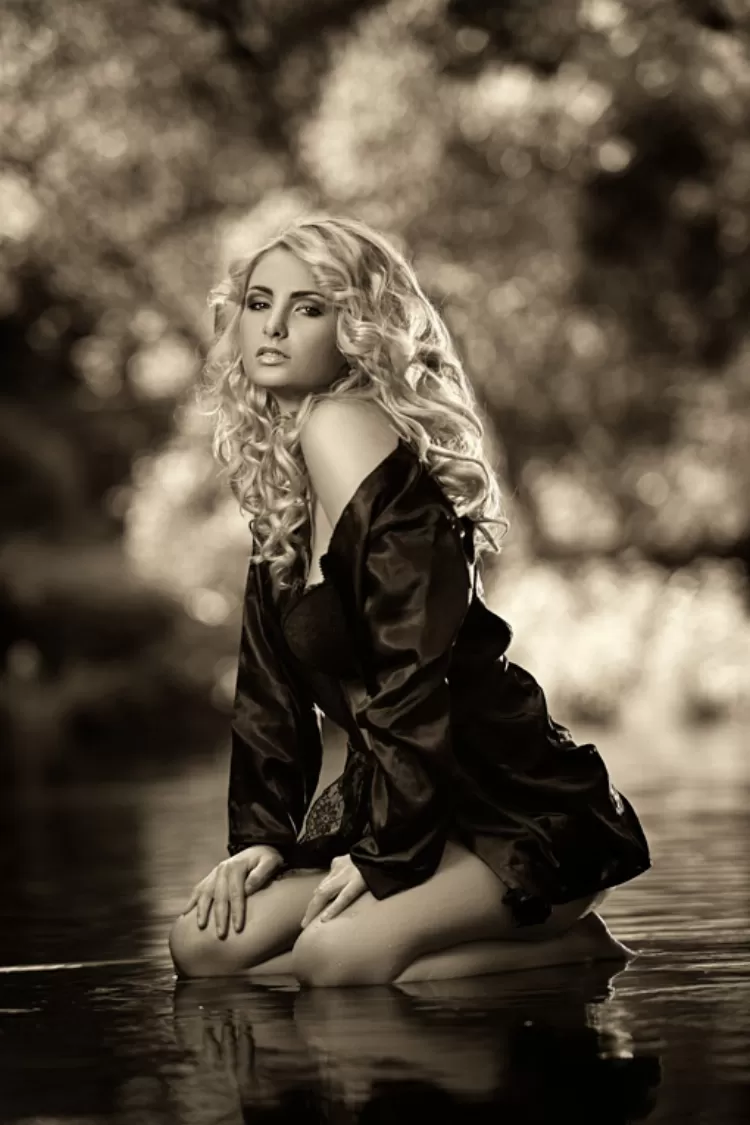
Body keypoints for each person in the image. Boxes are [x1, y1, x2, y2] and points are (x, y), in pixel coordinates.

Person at [168, 214, 650, 986]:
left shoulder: (343, 425)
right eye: (260, 302)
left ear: (354, 326)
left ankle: (577, 948)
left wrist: (386, 853)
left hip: (511, 813)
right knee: (205, 945)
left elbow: (412, 669)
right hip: (404, 803)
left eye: (308, 307)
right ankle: (438, 951)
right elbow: (268, 691)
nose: (274, 326)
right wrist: (260, 837)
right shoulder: (284, 476)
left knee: (331, 960)